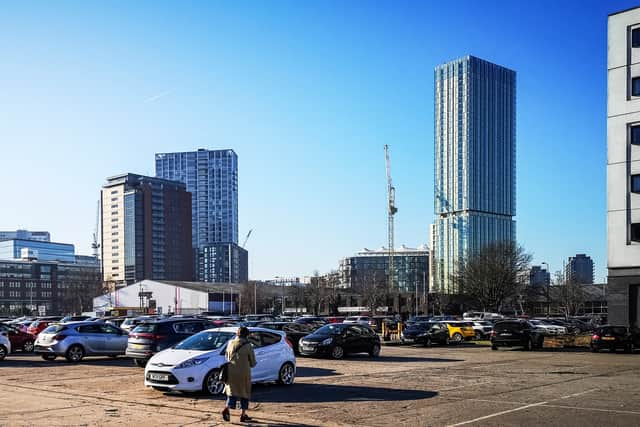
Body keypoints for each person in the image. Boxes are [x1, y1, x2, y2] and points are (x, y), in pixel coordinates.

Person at [221, 326, 257, 423]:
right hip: (243, 373)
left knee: (232, 393)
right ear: (247, 335)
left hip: (231, 371)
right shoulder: (248, 345)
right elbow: (253, 363)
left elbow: (226, 356)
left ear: (237, 334)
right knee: (244, 393)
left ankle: (226, 409)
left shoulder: (230, 343)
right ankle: (243, 415)